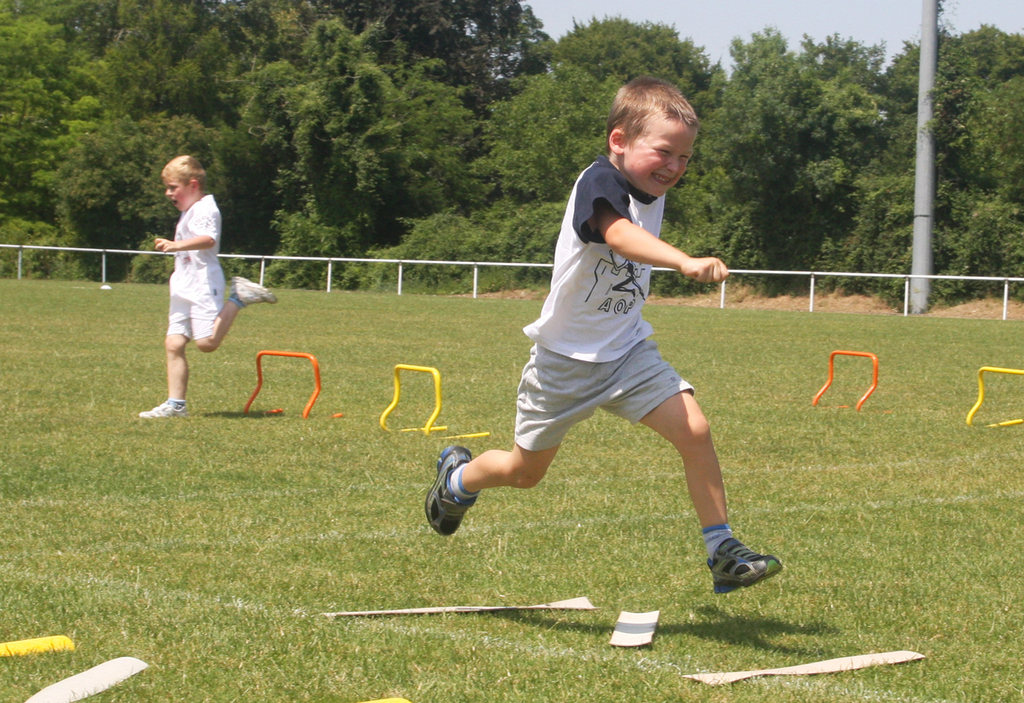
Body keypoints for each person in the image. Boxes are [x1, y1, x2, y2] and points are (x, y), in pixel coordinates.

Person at [424, 77, 782, 594]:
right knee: (524, 473)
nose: (675, 166)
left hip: (628, 351)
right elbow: (618, 234)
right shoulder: (598, 182)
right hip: (564, 362)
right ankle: (459, 480)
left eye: (685, 157)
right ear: (619, 140)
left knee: (695, 430)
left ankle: (721, 549)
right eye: (664, 152)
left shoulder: (650, 188)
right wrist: (683, 261)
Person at [139, 155, 277, 419]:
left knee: (207, 343)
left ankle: (239, 297)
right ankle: (176, 405)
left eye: (173, 187)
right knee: (173, 343)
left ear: (192, 185)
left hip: (203, 283)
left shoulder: (205, 209)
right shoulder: (189, 210)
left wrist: (176, 245)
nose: (168, 193)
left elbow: (208, 239)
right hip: (182, 284)